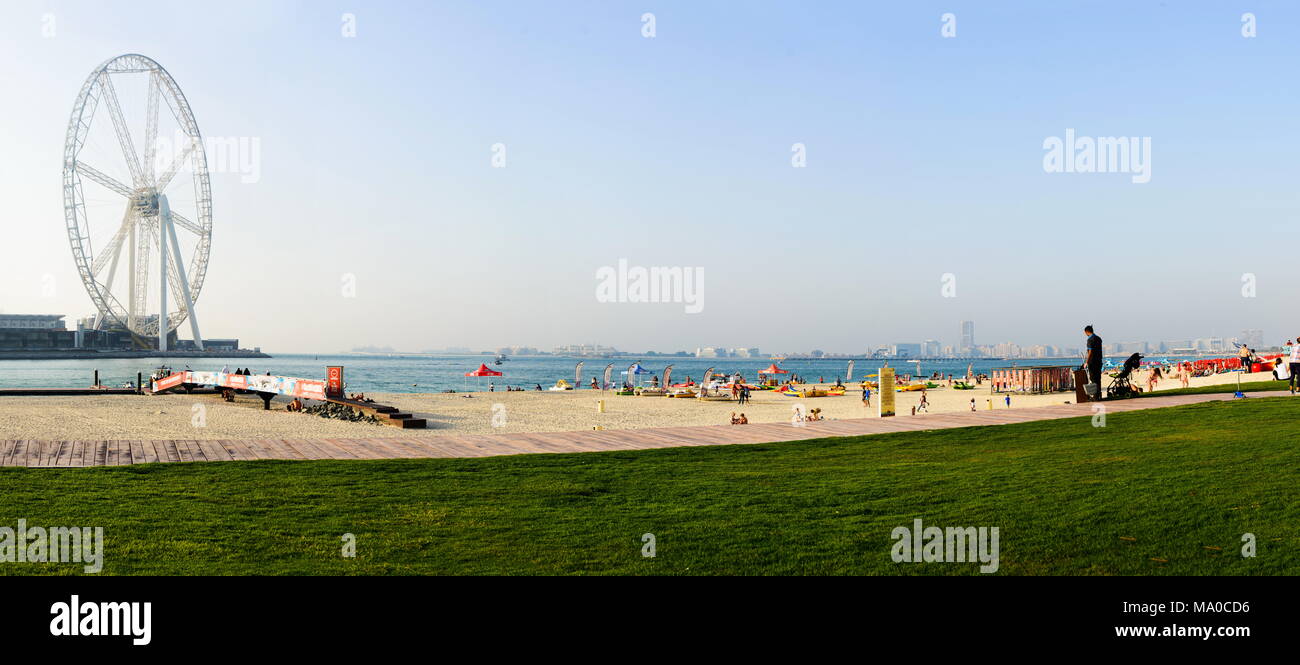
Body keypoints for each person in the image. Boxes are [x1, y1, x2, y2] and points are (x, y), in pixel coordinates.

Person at [1083, 324, 1104, 401]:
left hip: (1092, 361)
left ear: (1086, 332)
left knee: (1093, 378)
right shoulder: (1099, 338)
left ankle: (1095, 397)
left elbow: (1090, 352)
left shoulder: (1090, 339)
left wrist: (1086, 362)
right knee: (1098, 378)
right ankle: (1098, 395)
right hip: (1099, 360)